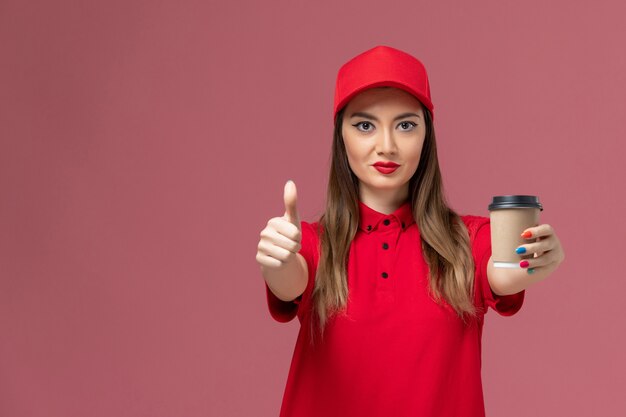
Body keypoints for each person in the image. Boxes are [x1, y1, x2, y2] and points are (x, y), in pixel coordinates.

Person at [255, 45, 565, 417]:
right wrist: (278, 257)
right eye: (364, 125)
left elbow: (502, 271)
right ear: (341, 136)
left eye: (405, 125)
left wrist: (533, 260)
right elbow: (289, 281)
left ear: (426, 136)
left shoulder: (467, 240)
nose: (386, 146)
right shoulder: (311, 244)